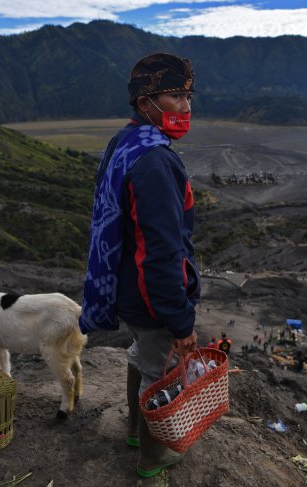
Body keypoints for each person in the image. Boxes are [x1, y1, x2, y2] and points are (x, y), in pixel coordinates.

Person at [83, 52, 200, 478]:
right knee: (161, 367)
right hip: (150, 295)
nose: (185, 108)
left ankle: (135, 428)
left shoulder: (126, 141)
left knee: (141, 355)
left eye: (188, 96)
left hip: (125, 286)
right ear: (145, 101)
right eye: (173, 96)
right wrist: (180, 319)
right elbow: (162, 252)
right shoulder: (155, 161)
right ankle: (154, 455)